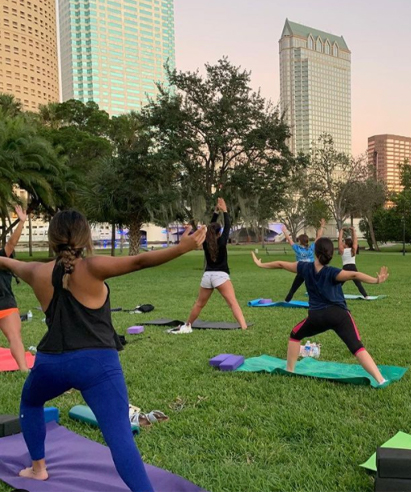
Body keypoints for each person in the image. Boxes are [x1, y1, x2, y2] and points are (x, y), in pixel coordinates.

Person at [0, 209, 206, 490]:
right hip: (97, 365)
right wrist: (183, 247)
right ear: (85, 240)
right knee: (119, 437)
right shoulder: (93, 267)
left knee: (31, 402)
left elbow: (7, 263)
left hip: (51, 363)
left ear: (51, 240)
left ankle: (39, 470)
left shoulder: (36, 270)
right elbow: (140, 261)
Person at [250, 238, 389, 384]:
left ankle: (290, 370)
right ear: (330, 255)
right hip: (339, 315)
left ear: (315, 253)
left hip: (317, 317)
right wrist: (376, 280)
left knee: (295, 335)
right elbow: (354, 275)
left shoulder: (304, 268)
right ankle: (380, 379)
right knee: (356, 346)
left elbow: (280, 264)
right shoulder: (333, 272)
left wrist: (260, 264)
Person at [170, 198, 247, 334]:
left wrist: (216, 212)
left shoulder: (205, 242)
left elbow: (212, 225)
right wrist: (225, 211)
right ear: (219, 233)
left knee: (199, 304)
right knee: (233, 303)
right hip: (220, 276)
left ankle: (187, 325)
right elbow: (228, 226)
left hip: (207, 276)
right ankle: (244, 327)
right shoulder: (222, 241)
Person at [0, 205, 29, 371]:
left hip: (5, 305)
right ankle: (24, 370)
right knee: (15, 337)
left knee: (15, 337)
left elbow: (11, 243)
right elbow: (11, 244)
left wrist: (21, 222)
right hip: (6, 304)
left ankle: (24, 369)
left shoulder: (2, 257)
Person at [281, 219, 326, 303]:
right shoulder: (311, 247)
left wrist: (284, 231)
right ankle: (316, 301)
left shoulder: (297, 248)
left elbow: (289, 239)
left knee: (294, 287)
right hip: (311, 270)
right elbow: (318, 237)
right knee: (312, 287)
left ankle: (287, 300)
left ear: (299, 241)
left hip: (301, 270)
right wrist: (322, 226)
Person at [338, 225, 368, 299]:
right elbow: (355, 240)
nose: (343, 243)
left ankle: (331, 294)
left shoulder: (342, 250)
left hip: (345, 268)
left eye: (344, 242)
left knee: (338, 284)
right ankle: (366, 296)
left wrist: (341, 231)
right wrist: (353, 230)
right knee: (358, 284)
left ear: (346, 244)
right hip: (353, 267)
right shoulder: (353, 250)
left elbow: (339, 240)